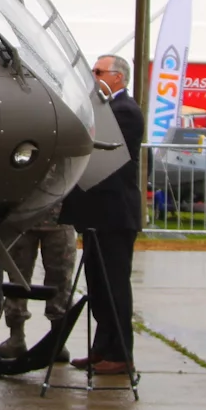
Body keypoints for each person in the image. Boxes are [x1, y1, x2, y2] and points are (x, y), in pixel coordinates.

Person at [59, 54, 144, 376]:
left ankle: (121, 353)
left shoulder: (125, 111)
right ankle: (102, 348)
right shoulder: (108, 109)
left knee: (114, 286)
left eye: (98, 72)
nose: (92, 77)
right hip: (97, 214)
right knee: (98, 286)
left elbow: (100, 147)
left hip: (115, 214)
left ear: (118, 78)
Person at [0, 208, 76, 360]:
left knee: (61, 280)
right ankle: (16, 338)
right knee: (17, 280)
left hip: (61, 218)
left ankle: (58, 340)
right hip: (23, 219)